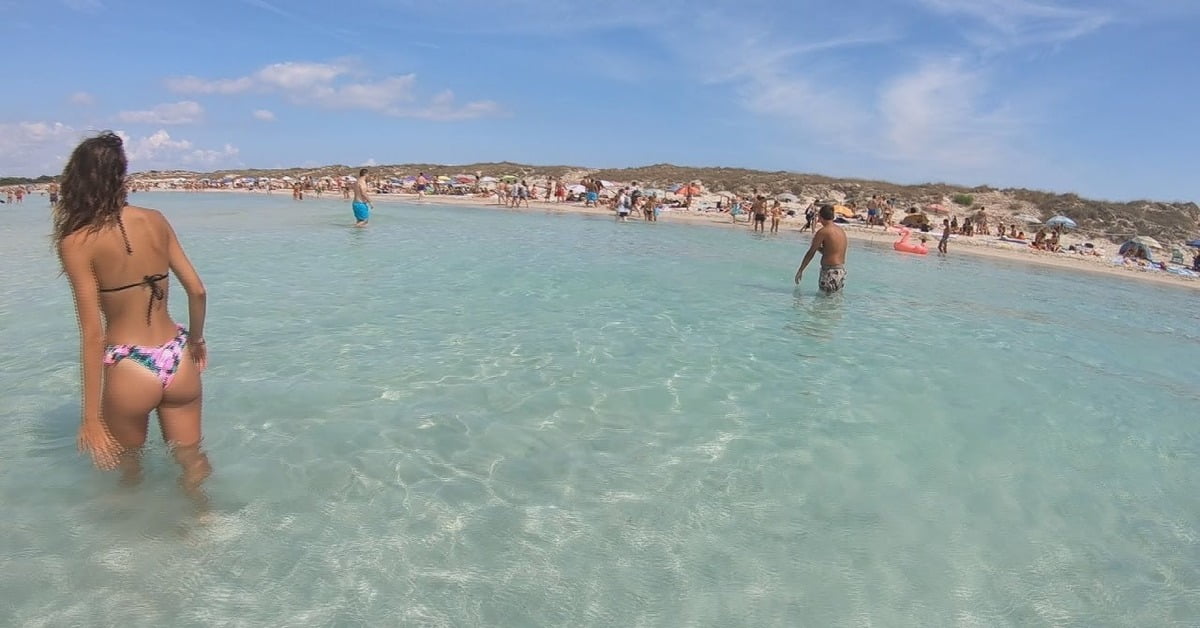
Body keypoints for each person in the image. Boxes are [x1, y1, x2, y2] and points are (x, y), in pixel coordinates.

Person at [52, 132, 210, 497]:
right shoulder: (155, 219)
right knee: (192, 461)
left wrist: (90, 419)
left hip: (129, 366)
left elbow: (93, 333)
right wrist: (197, 340)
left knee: (130, 474)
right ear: (121, 174)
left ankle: (130, 547)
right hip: (178, 356)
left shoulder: (76, 243)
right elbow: (198, 290)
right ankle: (204, 523)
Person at [794, 205, 848, 294]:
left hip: (829, 272)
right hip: (840, 271)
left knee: (824, 301)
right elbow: (831, 251)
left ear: (820, 217)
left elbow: (811, 252)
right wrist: (819, 247)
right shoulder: (840, 230)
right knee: (834, 301)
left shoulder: (823, 232)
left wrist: (801, 270)